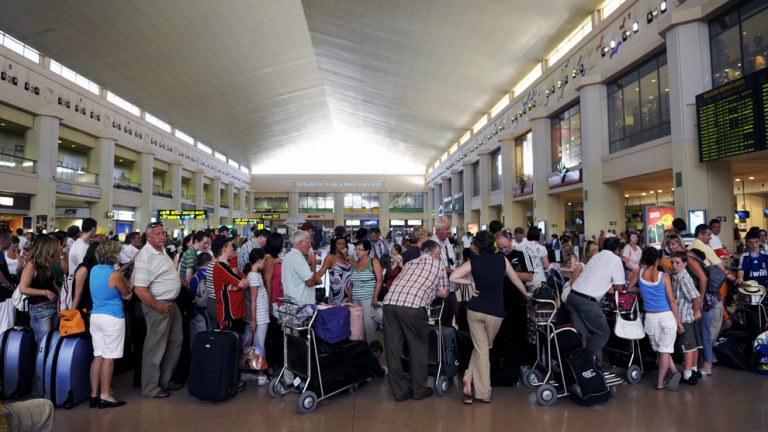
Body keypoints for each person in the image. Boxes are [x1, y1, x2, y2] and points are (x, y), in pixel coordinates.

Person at [450, 231, 531, 404]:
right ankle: (483, 393)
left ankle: (468, 375)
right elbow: (516, 280)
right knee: (484, 349)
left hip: (475, 310)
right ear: (493, 245)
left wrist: (470, 282)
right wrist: (525, 294)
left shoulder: (473, 261)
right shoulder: (502, 260)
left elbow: (453, 276)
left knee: (481, 349)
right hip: (495, 313)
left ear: (476, 246)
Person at [382, 240, 449, 402]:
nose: (440, 257)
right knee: (418, 348)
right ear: (433, 253)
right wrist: (433, 290)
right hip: (412, 307)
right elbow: (444, 293)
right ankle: (419, 390)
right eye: (439, 254)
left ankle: (399, 392)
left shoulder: (410, 263)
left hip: (390, 303)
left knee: (393, 350)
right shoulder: (438, 266)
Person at [132, 221, 183, 398]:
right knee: (154, 348)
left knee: (176, 342)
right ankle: (150, 387)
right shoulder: (146, 256)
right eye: (158, 234)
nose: (162, 237)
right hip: (157, 306)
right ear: (148, 237)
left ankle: (164, 380)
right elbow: (139, 289)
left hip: (171, 304)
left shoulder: (161, 252)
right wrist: (159, 307)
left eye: (163, 233)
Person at [628, 247, 683, 390]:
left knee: (662, 349)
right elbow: (672, 301)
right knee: (665, 350)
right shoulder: (664, 277)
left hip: (650, 318)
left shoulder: (639, 274)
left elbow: (629, 289)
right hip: (666, 317)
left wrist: (642, 290)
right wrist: (678, 322)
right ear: (657, 259)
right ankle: (660, 382)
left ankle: (675, 372)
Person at [88, 240, 132, 409]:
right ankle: (105, 395)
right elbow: (126, 294)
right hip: (112, 318)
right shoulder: (115, 275)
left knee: (98, 355)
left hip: (96, 316)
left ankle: (94, 395)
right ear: (114, 255)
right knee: (109, 357)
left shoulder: (94, 270)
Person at [565, 237, 625, 355]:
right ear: (617, 250)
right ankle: (586, 361)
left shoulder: (596, 256)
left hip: (572, 297)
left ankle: (580, 367)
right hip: (587, 301)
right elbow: (620, 286)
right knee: (602, 333)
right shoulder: (615, 259)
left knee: (583, 335)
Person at [689, 223, 734, 375]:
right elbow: (721, 267)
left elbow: (703, 277)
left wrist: (700, 300)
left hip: (705, 298)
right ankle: (704, 363)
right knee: (704, 332)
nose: (710, 237)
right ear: (700, 235)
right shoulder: (699, 249)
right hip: (710, 297)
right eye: (708, 235)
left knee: (704, 332)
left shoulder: (693, 250)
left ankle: (706, 365)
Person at [18, 235, 65, 345]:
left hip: (52, 308)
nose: (58, 248)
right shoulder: (32, 264)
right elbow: (23, 289)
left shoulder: (48, 263)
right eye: (55, 246)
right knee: (43, 345)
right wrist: (45, 292)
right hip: (40, 310)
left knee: (51, 343)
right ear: (48, 247)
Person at [669, 251, 702, 385]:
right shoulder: (677, 276)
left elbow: (696, 297)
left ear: (684, 264)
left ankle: (688, 375)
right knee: (693, 346)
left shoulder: (683, 278)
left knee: (687, 347)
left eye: (677, 263)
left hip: (685, 317)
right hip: (687, 316)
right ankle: (693, 369)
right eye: (672, 262)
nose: (674, 265)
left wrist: (696, 312)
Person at [211, 236, 249, 331]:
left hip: (236, 311)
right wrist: (238, 285)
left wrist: (236, 286)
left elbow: (246, 280)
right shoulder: (221, 266)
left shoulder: (229, 264)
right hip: (229, 313)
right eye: (230, 245)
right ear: (223, 249)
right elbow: (242, 284)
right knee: (231, 341)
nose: (233, 248)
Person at [349, 239, 383, 344]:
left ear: (367, 251)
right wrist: (349, 298)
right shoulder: (355, 264)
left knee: (369, 326)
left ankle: (373, 350)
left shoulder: (373, 262)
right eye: (356, 249)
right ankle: (361, 350)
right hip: (355, 299)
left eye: (360, 249)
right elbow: (351, 283)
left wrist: (375, 298)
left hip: (368, 298)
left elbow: (380, 280)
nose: (357, 251)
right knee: (357, 326)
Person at [244, 248, 269, 385]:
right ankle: (261, 375)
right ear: (259, 261)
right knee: (260, 346)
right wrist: (253, 320)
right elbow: (253, 300)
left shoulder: (255, 275)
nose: (265, 263)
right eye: (264, 260)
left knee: (257, 345)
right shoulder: (253, 276)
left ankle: (254, 372)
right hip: (259, 316)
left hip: (259, 315)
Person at [282, 230, 321, 305]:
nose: (310, 245)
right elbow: (310, 282)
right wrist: (313, 263)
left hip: (293, 303)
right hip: (301, 306)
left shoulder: (289, 256)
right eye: (308, 242)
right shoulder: (297, 258)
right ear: (300, 243)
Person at [433, 218, 457, 327]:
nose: (449, 231)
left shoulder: (447, 242)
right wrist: (456, 273)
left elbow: (452, 262)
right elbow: (439, 266)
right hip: (440, 289)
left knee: (453, 312)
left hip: (451, 287)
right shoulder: (432, 245)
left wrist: (457, 278)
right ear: (438, 230)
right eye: (447, 229)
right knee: (442, 318)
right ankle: (440, 342)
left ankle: (449, 340)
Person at [317, 236, 353, 305]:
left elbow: (356, 268)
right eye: (339, 244)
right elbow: (321, 271)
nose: (342, 246)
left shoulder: (347, 257)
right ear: (334, 245)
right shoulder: (330, 257)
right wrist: (313, 279)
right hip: (337, 295)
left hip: (350, 294)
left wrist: (346, 255)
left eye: (343, 243)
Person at [72, 241, 100, 312]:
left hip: (93, 305)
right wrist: (71, 314)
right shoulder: (84, 269)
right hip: (84, 307)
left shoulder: (97, 267)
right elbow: (78, 293)